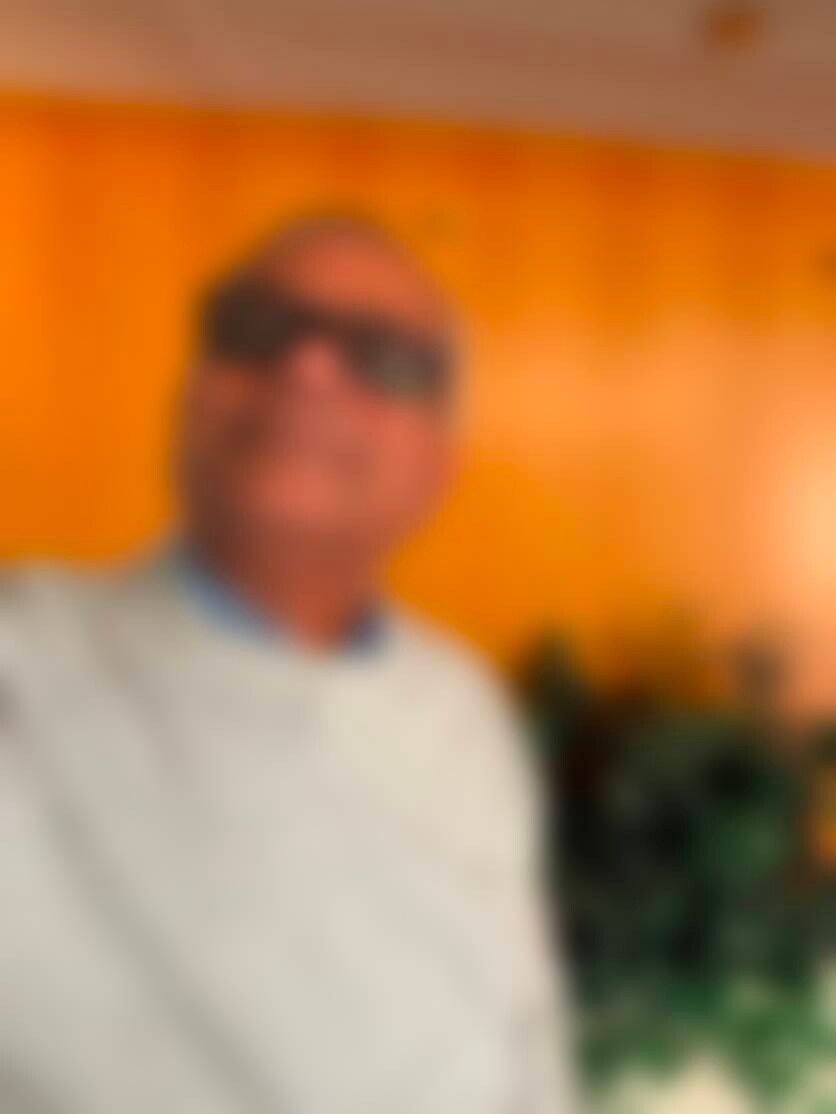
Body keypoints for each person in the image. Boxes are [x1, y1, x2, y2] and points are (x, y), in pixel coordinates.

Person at [0, 214, 577, 1113]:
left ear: (439, 466)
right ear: (191, 397)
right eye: (259, 329)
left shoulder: (463, 706)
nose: (306, 370)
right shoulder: (25, 662)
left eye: (382, 357)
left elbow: (526, 1033)